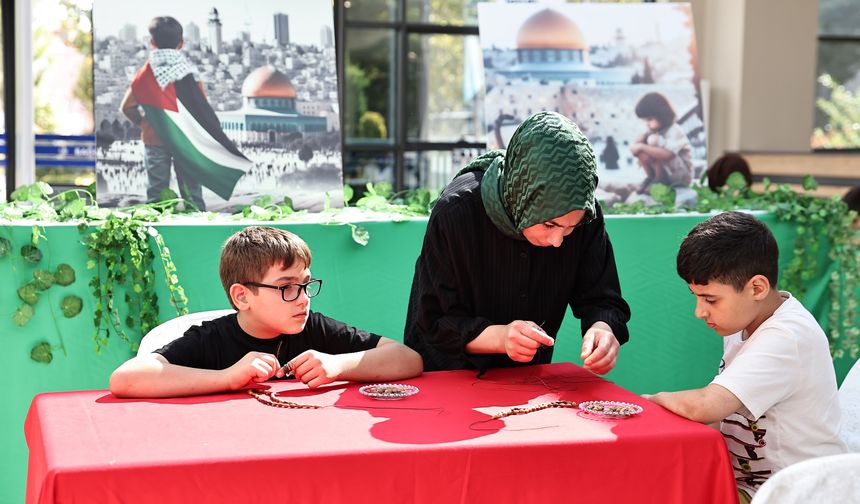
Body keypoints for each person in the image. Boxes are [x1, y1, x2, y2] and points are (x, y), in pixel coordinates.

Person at [404, 111, 631, 375]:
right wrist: (500, 337)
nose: (558, 241)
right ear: (523, 196)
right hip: (446, 377)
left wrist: (602, 330)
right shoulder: (457, 212)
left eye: (570, 228)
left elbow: (603, 299)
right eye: (549, 225)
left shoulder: (583, 214)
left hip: (527, 380)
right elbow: (433, 321)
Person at [643, 212, 846, 503]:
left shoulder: (786, 336)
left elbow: (707, 406)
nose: (699, 312)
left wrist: (649, 402)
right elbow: (718, 418)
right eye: (696, 297)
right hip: (751, 483)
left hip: (797, 491)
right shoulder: (745, 322)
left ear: (757, 288)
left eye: (710, 299)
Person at [110, 226, 423, 398]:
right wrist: (227, 378)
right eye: (287, 287)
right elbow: (125, 380)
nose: (302, 299)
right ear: (242, 297)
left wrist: (339, 365)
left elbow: (409, 359)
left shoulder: (314, 328)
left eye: (306, 284)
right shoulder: (211, 338)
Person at [119, 17, 251, 211]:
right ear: (181, 44)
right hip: (187, 142)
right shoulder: (189, 74)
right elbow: (200, 110)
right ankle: (195, 230)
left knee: (156, 194)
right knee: (192, 194)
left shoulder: (145, 74)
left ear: (151, 42)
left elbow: (126, 107)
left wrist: (147, 123)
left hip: (154, 141)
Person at [631, 92, 693, 193]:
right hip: (667, 172)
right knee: (643, 149)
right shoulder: (653, 130)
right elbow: (635, 149)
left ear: (661, 114)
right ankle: (652, 178)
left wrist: (642, 146)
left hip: (681, 176)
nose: (647, 124)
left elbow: (668, 155)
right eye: (645, 121)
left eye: (650, 119)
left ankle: (660, 181)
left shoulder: (675, 130)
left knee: (653, 142)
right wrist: (639, 143)